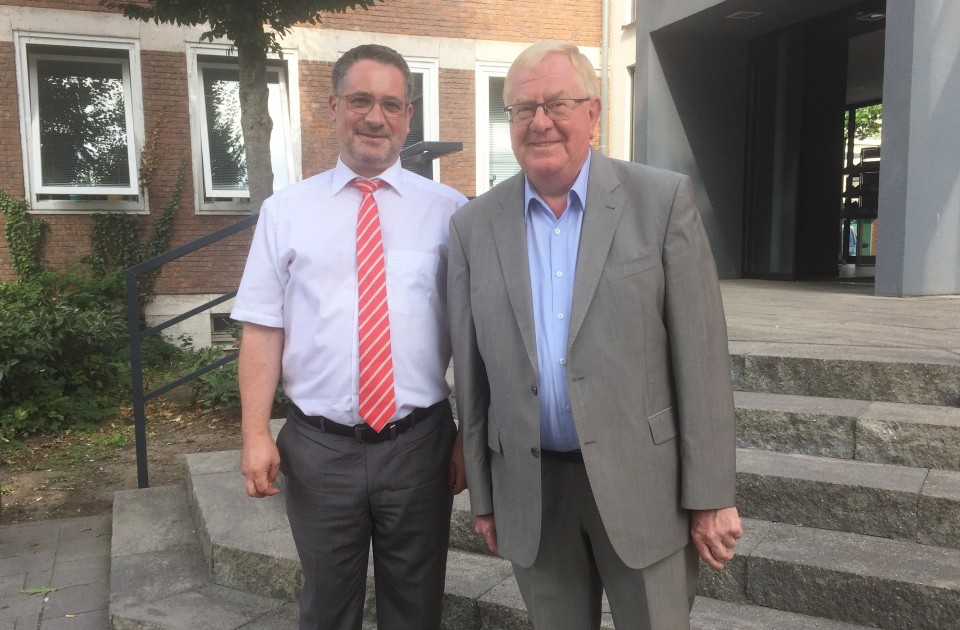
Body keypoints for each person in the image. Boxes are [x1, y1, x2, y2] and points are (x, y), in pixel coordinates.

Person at [447, 40, 742, 629]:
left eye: (557, 103)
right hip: (532, 492)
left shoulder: (661, 201)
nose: (541, 123)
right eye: (523, 108)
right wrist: (484, 493)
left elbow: (702, 362)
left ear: (593, 113)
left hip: (645, 489)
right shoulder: (472, 225)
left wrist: (711, 494)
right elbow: (472, 374)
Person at [232, 44, 467, 630]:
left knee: (416, 608)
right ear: (333, 107)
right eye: (360, 100)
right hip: (319, 450)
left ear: (408, 115)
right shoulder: (285, 211)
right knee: (326, 609)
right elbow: (263, 326)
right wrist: (256, 432)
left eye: (391, 104)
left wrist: (470, 435)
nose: (375, 117)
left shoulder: (451, 214)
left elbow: (471, 335)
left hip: (420, 446)